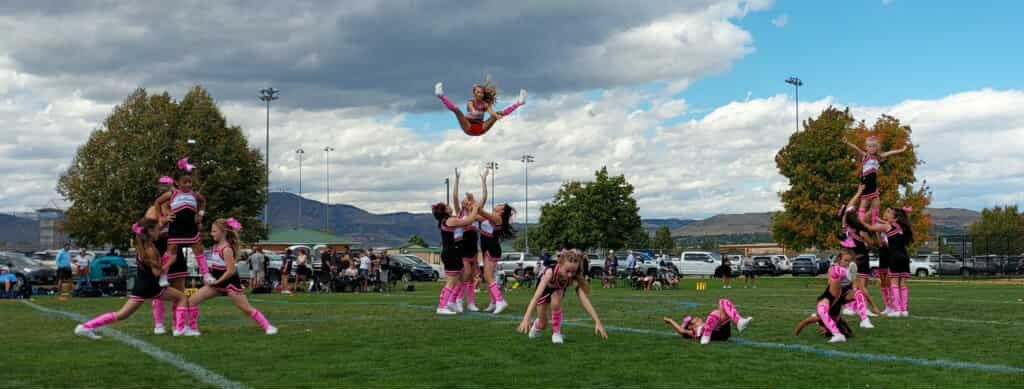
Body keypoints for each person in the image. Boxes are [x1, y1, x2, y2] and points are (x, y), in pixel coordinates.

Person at [74, 219, 190, 339]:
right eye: (157, 230)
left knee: (122, 314)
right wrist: (170, 262)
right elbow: (157, 273)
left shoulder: (142, 247)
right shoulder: (151, 250)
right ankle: (180, 329)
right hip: (151, 286)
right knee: (182, 298)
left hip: (142, 286)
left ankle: (85, 327)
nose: (159, 233)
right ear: (149, 231)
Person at [184, 218, 277, 336]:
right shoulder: (215, 247)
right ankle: (192, 329)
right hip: (217, 284)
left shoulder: (226, 249)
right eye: (211, 231)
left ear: (223, 232)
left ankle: (268, 326)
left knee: (245, 308)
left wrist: (217, 281)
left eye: (214, 231)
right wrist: (210, 279)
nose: (211, 234)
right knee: (192, 300)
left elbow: (231, 271)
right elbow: (215, 267)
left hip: (230, 284)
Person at [517, 249, 608, 344]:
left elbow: (584, 300)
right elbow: (536, 296)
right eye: (567, 271)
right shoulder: (549, 273)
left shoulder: (573, 277)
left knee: (556, 302)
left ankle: (556, 333)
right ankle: (536, 326)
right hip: (544, 291)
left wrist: (598, 322)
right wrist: (526, 318)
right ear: (560, 265)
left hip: (558, 289)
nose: (570, 275)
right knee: (543, 324)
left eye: (573, 271)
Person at [152, 158, 211, 289]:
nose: (189, 184)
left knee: (198, 249)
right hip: (176, 227)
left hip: (191, 226)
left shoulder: (195, 194)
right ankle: (163, 275)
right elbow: (157, 203)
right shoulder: (172, 193)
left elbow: (203, 202)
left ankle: (206, 274)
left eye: (190, 182)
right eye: (185, 182)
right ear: (177, 183)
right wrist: (161, 217)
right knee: (171, 252)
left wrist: (200, 215)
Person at [431, 183, 482, 315]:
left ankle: (450, 302)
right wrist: (475, 206)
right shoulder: (450, 221)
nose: (450, 207)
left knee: (457, 279)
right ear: (444, 211)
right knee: (451, 281)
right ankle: (442, 306)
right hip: (451, 252)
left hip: (453, 252)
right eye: (447, 207)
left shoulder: (447, 220)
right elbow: (469, 220)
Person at [792, 249, 859, 343]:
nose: (821, 332)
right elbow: (843, 321)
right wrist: (850, 332)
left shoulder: (819, 318)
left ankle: (844, 273)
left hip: (828, 299)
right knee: (854, 294)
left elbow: (804, 322)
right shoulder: (836, 319)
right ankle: (846, 275)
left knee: (834, 281)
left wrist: (795, 334)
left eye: (821, 331)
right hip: (837, 301)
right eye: (823, 332)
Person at [843, 135, 909, 225]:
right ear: (866, 147)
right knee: (864, 201)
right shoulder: (865, 155)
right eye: (869, 146)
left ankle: (875, 222)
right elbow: (856, 148)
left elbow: (890, 153)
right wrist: (847, 143)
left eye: (874, 146)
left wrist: (901, 150)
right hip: (866, 181)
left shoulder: (878, 157)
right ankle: (860, 221)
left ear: (877, 147)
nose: (871, 148)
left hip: (873, 182)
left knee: (876, 203)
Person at [476, 169, 517, 314]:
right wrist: (483, 182)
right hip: (487, 248)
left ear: (501, 211)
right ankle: (494, 302)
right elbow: (476, 215)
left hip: (492, 249)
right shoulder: (490, 217)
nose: (498, 205)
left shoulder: (497, 218)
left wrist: (473, 204)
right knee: (489, 277)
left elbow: (479, 211)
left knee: (488, 276)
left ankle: (500, 301)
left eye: (500, 205)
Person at [434, 77, 527, 137]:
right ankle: (441, 96)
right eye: (478, 92)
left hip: (481, 128)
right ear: (474, 93)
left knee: (498, 113)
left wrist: (496, 116)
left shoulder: (485, 104)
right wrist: (474, 111)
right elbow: (471, 108)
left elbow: (491, 113)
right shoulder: (470, 102)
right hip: (468, 126)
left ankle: (519, 102)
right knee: (457, 111)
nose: (480, 94)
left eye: (481, 92)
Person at [450, 168, 487, 312]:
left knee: (472, 277)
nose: (467, 202)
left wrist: (484, 181)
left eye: (468, 200)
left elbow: (484, 198)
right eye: (465, 201)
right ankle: (457, 299)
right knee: (465, 275)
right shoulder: (460, 213)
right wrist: (457, 179)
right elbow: (454, 196)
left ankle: (470, 302)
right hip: (462, 246)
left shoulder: (475, 213)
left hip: (473, 247)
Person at [662, 298, 753, 344]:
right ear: (690, 326)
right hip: (717, 333)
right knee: (715, 313)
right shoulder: (693, 331)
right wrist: (670, 321)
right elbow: (681, 330)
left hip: (721, 331)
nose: (696, 318)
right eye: (693, 320)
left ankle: (739, 321)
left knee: (723, 301)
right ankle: (706, 336)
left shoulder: (708, 322)